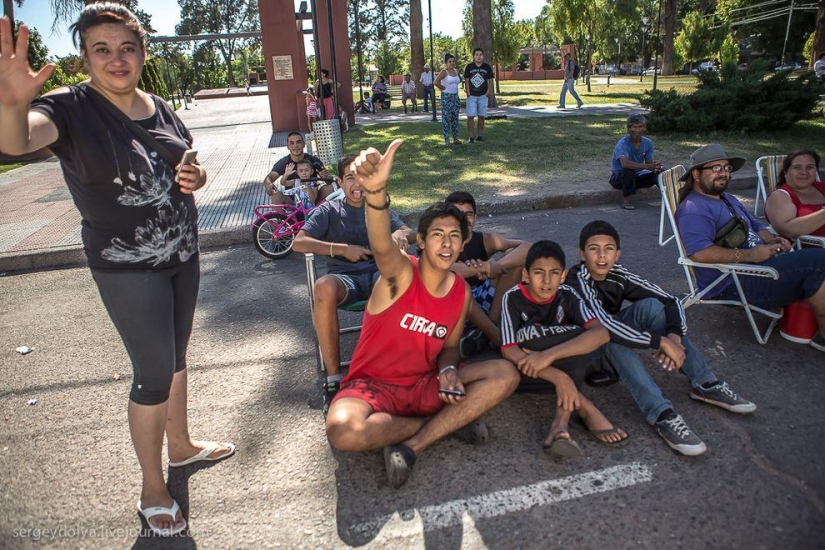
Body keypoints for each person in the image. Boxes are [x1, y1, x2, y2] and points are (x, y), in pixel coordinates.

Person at [0, 5, 234, 536]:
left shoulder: (158, 106)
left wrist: (194, 175)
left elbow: (183, 161)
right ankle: (153, 487)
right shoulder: (68, 107)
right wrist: (11, 107)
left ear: (143, 53)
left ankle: (182, 446)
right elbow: (19, 139)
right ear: (84, 58)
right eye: (101, 49)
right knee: (153, 373)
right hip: (127, 268)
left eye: (126, 47)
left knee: (176, 356)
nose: (116, 59)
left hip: (182, 255)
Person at [325, 140, 520, 489]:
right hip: (372, 385)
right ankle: (448, 423)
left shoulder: (460, 292)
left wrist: (447, 371)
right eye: (438, 235)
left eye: (454, 237)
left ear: (463, 244)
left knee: (505, 374)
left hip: (424, 385)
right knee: (342, 430)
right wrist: (376, 192)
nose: (446, 244)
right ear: (421, 242)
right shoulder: (402, 274)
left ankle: (413, 444)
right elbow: (382, 243)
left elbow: (450, 347)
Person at [567, 220, 756, 456]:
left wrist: (675, 337)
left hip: (608, 337)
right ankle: (661, 414)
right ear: (582, 254)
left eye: (609, 248)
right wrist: (659, 341)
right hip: (580, 355)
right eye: (594, 249)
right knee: (609, 335)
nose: (602, 255)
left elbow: (670, 300)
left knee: (651, 307)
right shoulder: (576, 281)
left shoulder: (618, 274)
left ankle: (705, 383)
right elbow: (604, 325)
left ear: (618, 254)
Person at [293, 154, 416, 409]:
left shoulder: (379, 208)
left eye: (362, 177)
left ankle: (404, 366)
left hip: (378, 276)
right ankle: (335, 378)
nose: (357, 183)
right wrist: (341, 249)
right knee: (323, 286)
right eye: (350, 177)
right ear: (340, 182)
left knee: (405, 274)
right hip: (344, 279)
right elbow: (299, 242)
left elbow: (408, 231)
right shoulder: (329, 210)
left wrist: (400, 234)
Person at [675, 144, 825, 353]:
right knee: (818, 262)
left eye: (726, 168)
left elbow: (753, 222)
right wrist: (752, 255)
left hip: (759, 265)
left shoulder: (725, 197)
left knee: (816, 264)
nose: (723, 174)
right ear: (697, 175)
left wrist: (770, 238)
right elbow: (699, 253)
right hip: (734, 283)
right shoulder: (694, 209)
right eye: (715, 168)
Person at [500, 241, 628, 458]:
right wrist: (559, 377)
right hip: (528, 372)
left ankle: (561, 425)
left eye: (554, 273)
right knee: (531, 338)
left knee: (579, 339)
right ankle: (583, 407)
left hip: (544, 362)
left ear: (563, 275)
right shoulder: (512, 297)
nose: (547, 280)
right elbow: (509, 349)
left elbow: (601, 334)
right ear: (526, 275)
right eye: (539, 273)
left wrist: (548, 355)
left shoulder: (567, 293)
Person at [444, 191, 530, 356]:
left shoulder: (485, 239)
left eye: (468, 214)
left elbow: (529, 248)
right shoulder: (441, 240)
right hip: (452, 305)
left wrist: (495, 265)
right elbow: (439, 271)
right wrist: (479, 269)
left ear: (475, 217)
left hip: (485, 301)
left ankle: (487, 331)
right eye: (457, 215)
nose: (463, 220)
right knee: (460, 288)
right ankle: (493, 335)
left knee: (516, 265)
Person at [764, 149, 825, 239]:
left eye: (810, 167)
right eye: (797, 167)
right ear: (786, 171)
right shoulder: (780, 196)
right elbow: (787, 230)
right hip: (812, 250)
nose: (804, 172)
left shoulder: (822, 187)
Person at [262, 131, 333, 205]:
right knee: (275, 195)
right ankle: (282, 216)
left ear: (303, 144)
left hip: (313, 200)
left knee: (328, 188)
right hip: (292, 203)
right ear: (288, 146)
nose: (295, 146)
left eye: (298, 142)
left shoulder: (313, 160)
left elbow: (329, 180)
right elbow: (268, 178)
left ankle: (328, 215)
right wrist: (269, 186)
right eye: (292, 143)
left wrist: (327, 176)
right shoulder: (284, 162)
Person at [609, 114, 662, 210]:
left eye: (640, 127)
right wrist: (647, 166)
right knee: (628, 171)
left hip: (637, 176)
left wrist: (655, 166)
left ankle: (667, 197)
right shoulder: (623, 143)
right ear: (628, 129)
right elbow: (625, 164)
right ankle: (625, 200)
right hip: (620, 178)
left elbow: (649, 163)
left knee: (660, 172)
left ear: (644, 128)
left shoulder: (648, 143)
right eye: (634, 127)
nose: (637, 130)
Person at [463, 47, 494, 143]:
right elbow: (467, 81)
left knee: (481, 116)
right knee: (470, 116)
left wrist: (488, 93)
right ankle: (471, 137)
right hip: (472, 95)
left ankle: (479, 136)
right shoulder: (469, 67)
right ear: (473, 56)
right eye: (476, 55)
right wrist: (468, 93)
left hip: (483, 96)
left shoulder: (487, 67)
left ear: (483, 56)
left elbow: (490, 80)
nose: (479, 56)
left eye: (480, 54)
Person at [434, 53, 461, 146]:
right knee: (446, 118)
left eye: (453, 61)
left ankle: (456, 138)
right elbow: (436, 82)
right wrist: (443, 88)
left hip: (455, 97)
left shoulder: (456, 71)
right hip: (447, 97)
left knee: (455, 118)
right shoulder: (444, 72)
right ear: (446, 63)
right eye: (450, 61)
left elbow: (458, 82)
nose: (452, 63)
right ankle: (447, 139)